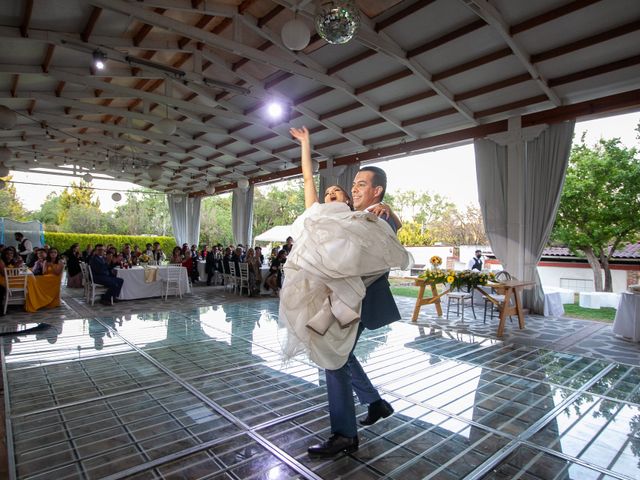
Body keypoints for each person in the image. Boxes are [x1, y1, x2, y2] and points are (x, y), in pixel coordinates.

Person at [284, 128, 409, 457]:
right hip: (338, 303)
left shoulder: (378, 216)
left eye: (360, 185)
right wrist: (306, 146)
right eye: (351, 185)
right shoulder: (348, 216)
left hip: (358, 305)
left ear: (377, 191)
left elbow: (387, 240)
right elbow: (309, 186)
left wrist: (390, 211)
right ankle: (374, 402)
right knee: (340, 354)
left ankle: (344, 434)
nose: (353, 190)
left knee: (333, 359)